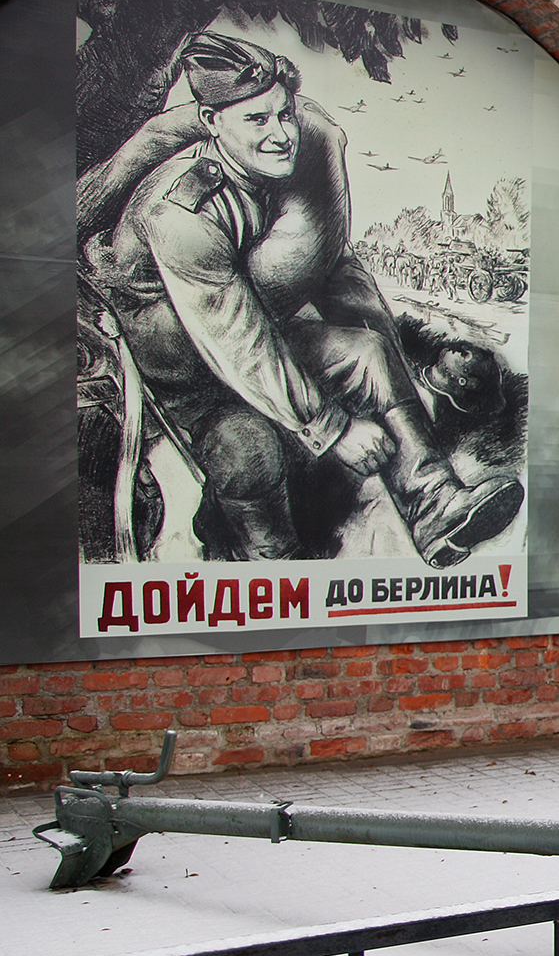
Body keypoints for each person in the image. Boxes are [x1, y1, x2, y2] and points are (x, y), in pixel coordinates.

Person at [78, 31, 521, 567]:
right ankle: (278, 569)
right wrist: (332, 429)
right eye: (257, 121)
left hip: (246, 342)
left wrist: (404, 378)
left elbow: (340, 276)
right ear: (213, 124)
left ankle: (437, 506)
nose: (280, 134)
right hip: (184, 380)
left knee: (368, 355)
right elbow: (233, 337)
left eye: (284, 115)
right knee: (249, 451)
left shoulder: (283, 171)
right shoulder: (181, 213)